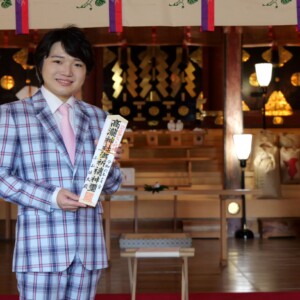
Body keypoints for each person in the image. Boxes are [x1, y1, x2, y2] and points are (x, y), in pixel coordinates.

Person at [0, 26, 123, 300]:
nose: (67, 71)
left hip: (88, 249)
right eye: (58, 61)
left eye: (77, 63)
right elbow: (1, 177)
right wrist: (52, 197)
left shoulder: (99, 119)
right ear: (41, 64)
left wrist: (112, 165)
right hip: (41, 249)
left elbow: (111, 187)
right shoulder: (12, 115)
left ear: (86, 71)